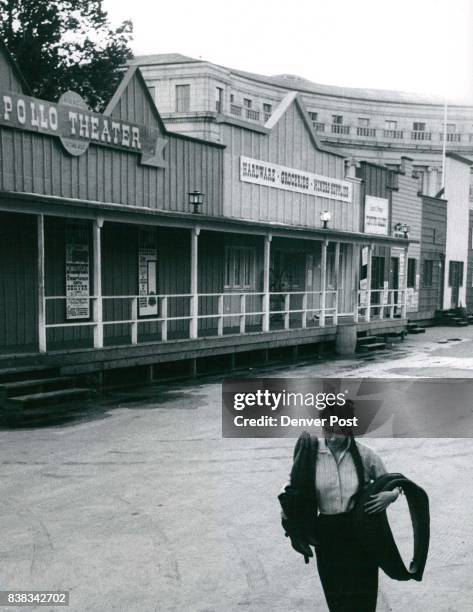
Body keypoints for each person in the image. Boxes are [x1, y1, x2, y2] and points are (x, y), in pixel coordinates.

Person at [281, 412, 401, 612]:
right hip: (327, 534)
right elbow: (291, 486)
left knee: (364, 591)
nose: (333, 436)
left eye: (339, 430)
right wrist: (287, 511)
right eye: (328, 430)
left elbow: (393, 482)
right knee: (336, 594)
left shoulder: (366, 454)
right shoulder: (310, 454)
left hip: (361, 532)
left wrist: (392, 495)